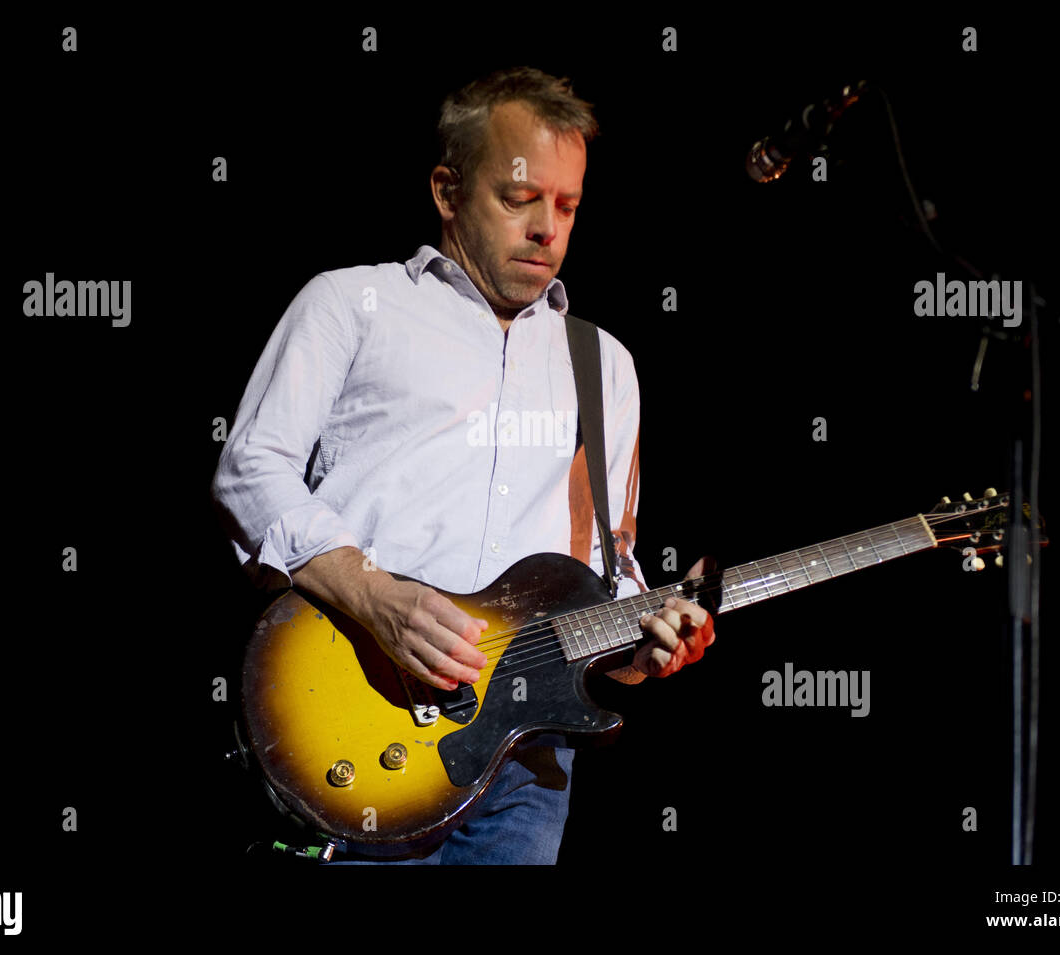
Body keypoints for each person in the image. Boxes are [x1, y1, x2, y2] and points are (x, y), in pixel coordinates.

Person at [210, 66, 716, 864]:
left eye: (568, 204)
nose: (548, 227)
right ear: (448, 191)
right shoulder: (349, 305)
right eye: (520, 199)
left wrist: (643, 645)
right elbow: (249, 470)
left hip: (527, 768)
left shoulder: (604, 363)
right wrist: (375, 595)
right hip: (356, 725)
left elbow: (607, 571)